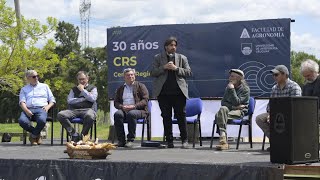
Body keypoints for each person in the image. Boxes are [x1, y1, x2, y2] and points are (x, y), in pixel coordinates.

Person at [151, 36, 192, 148]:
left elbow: (188, 72)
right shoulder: (158, 58)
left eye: (175, 45)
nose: (173, 47)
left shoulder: (182, 58)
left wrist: (176, 69)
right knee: (166, 117)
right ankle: (170, 141)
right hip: (163, 94)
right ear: (166, 47)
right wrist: (164, 67)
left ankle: (184, 140)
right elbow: (153, 72)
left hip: (179, 93)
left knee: (181, 116)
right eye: (171, 45)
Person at [256, 65, 301, 150]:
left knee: (282, 119)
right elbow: (270, 105)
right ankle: (276, 142)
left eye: (276, 75)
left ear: (284, 75)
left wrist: (277, 114)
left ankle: (285, 143)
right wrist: (270, 114)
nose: (274, 77)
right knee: (259, 119)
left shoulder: (294, 87)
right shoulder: (274, 88)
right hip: (276, 113)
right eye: (273, 75)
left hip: (290, 114)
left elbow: (295, 106)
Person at [214, 69, 250, 150]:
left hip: (239, 111)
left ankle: (223, 140)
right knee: (223, 109)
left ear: (238, 78)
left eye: (232, 76)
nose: (230, 78)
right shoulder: (228, 87)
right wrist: (234, 107)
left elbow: (237, 102)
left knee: (219, 115)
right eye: (230, 76)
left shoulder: (245, 89)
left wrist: (232, 90)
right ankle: (223, 139)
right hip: (231, 109)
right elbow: (223, 102)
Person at [57, 71, 97, 142]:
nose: (82, 81)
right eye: (80, 79)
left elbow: (93, 99)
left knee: (90, 116)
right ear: (77, 80)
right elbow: (69, 101)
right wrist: (83, 99)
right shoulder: (73, 89)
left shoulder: (93, 88)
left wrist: (83, 91)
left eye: (83, 79)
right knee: (61, 115)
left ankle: (83, 135)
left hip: (88, 110)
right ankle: (74, 134)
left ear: (87, 78)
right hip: (74, 110)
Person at [113, 68, 149, 148]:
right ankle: (121, 140)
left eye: (132, 74)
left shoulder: (141, 86)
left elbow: (145, 100)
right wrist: (122, 107)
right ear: (124, 77)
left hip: (139, 110)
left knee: (131, 114)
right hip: (124, 109)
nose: (130, 76)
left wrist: (134, 106)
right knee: (117, 114)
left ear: (134, 76)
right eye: (128, 75)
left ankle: (130, 140)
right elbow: (116, 102)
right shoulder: (120, 88)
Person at [18, 70, 56, 145]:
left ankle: (33, 136)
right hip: (28, 109)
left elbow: (52, 100)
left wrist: (48, 107)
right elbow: (22, 102)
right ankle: (37, 135)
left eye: (37, 76)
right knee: (22, 121)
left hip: (41, 109)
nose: (36, 78)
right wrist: (26, 110)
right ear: (28, 78)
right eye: (34, 76)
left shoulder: (45, 86)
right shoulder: (24, 89)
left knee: (42, 120)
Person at [300, 59, 320, 142]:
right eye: (304, 76)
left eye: (308, 75)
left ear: (315, 71)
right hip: (310, 112)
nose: (307, 78)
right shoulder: (306, 85)